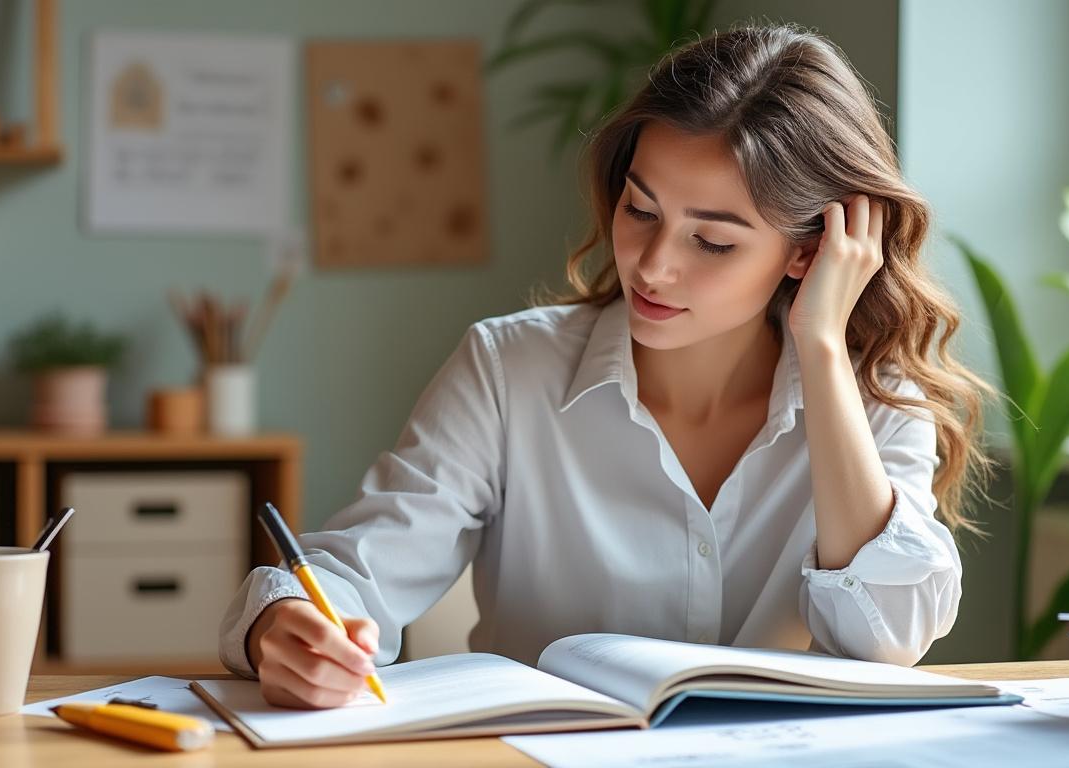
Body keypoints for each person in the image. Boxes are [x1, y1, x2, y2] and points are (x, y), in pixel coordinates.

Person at [218, 23, 991, 710]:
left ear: (809, 250)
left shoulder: (876, 397)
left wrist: (822, 346)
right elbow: (354, 574)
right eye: (641, 210)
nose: (652, 267)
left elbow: (889, 636)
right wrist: (284, 628)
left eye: (712, 242)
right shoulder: (507, 367)